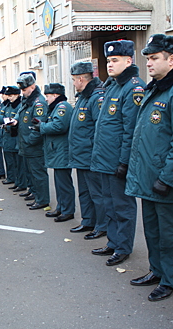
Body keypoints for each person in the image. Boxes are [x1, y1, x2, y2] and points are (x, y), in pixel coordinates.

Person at [125, 34, 173, 302]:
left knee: (171, 234)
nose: (149, 64)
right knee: (153, 230)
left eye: (154, 58)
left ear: (172, 59)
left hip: (167, 180)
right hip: (148, 177)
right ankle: (156, 270)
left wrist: (167, 178)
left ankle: (170, 279)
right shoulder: (156, 87)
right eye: (148, 59)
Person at [90, 40, 145, 266]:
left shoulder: (133, 87)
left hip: (117, 161)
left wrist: (124, 162)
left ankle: (123, 247)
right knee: (109, 204)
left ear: (128, 60)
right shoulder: (112, 85)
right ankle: (113, 242)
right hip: (104, 159)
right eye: (108, 61)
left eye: (114, 60)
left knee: (122, 206)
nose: (109, 65)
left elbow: (130, 130)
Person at [68, 62, 107, 239]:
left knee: (97, 194)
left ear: (81, 79)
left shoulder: (96, 97)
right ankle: (88, 221)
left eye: (74, 80)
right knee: (84, 192)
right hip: (81, 156)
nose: (74, 84)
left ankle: (102, 225)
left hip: (91, 155)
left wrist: (95, 153)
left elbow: (100, 128)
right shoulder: (83, 96)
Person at [35, 83, 75, 222]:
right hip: (57, 150)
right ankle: (61, 207)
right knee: (59, 182)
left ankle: (68, 210)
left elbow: (59, 126)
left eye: (48, 96)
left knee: (64, 183)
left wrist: (42, 126)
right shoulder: (56, 107)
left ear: (55, 95)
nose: (46, 99)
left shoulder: (63, 106)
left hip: (61, 150)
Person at [13, 72, 50, 210]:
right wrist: (15, 120)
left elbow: (38, 126)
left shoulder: (38, 102)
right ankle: (35, 194)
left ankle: (42, 200)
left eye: (24, 89)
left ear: (32, 87)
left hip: (34, 146)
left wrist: (29, 141)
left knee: (38, 174)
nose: (22, 92)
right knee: (32, 173)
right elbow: (20, 112)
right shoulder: (28, 100)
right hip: (26, 144)